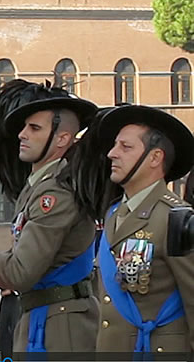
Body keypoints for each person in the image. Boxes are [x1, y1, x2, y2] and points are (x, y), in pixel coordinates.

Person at [0, 79, 99, 353]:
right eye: (24, 127)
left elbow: (20, 272)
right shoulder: (39, 187)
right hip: (43, 316)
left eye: (35, 128)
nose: (22, 134)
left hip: (61, 327)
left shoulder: (56, 195)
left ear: (62, 139)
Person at [66, 104, 194, 353]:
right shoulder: (114, 214)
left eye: (126, 147)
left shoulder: (176, 219)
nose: (112, 154)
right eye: (115, 145)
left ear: (155, 158)